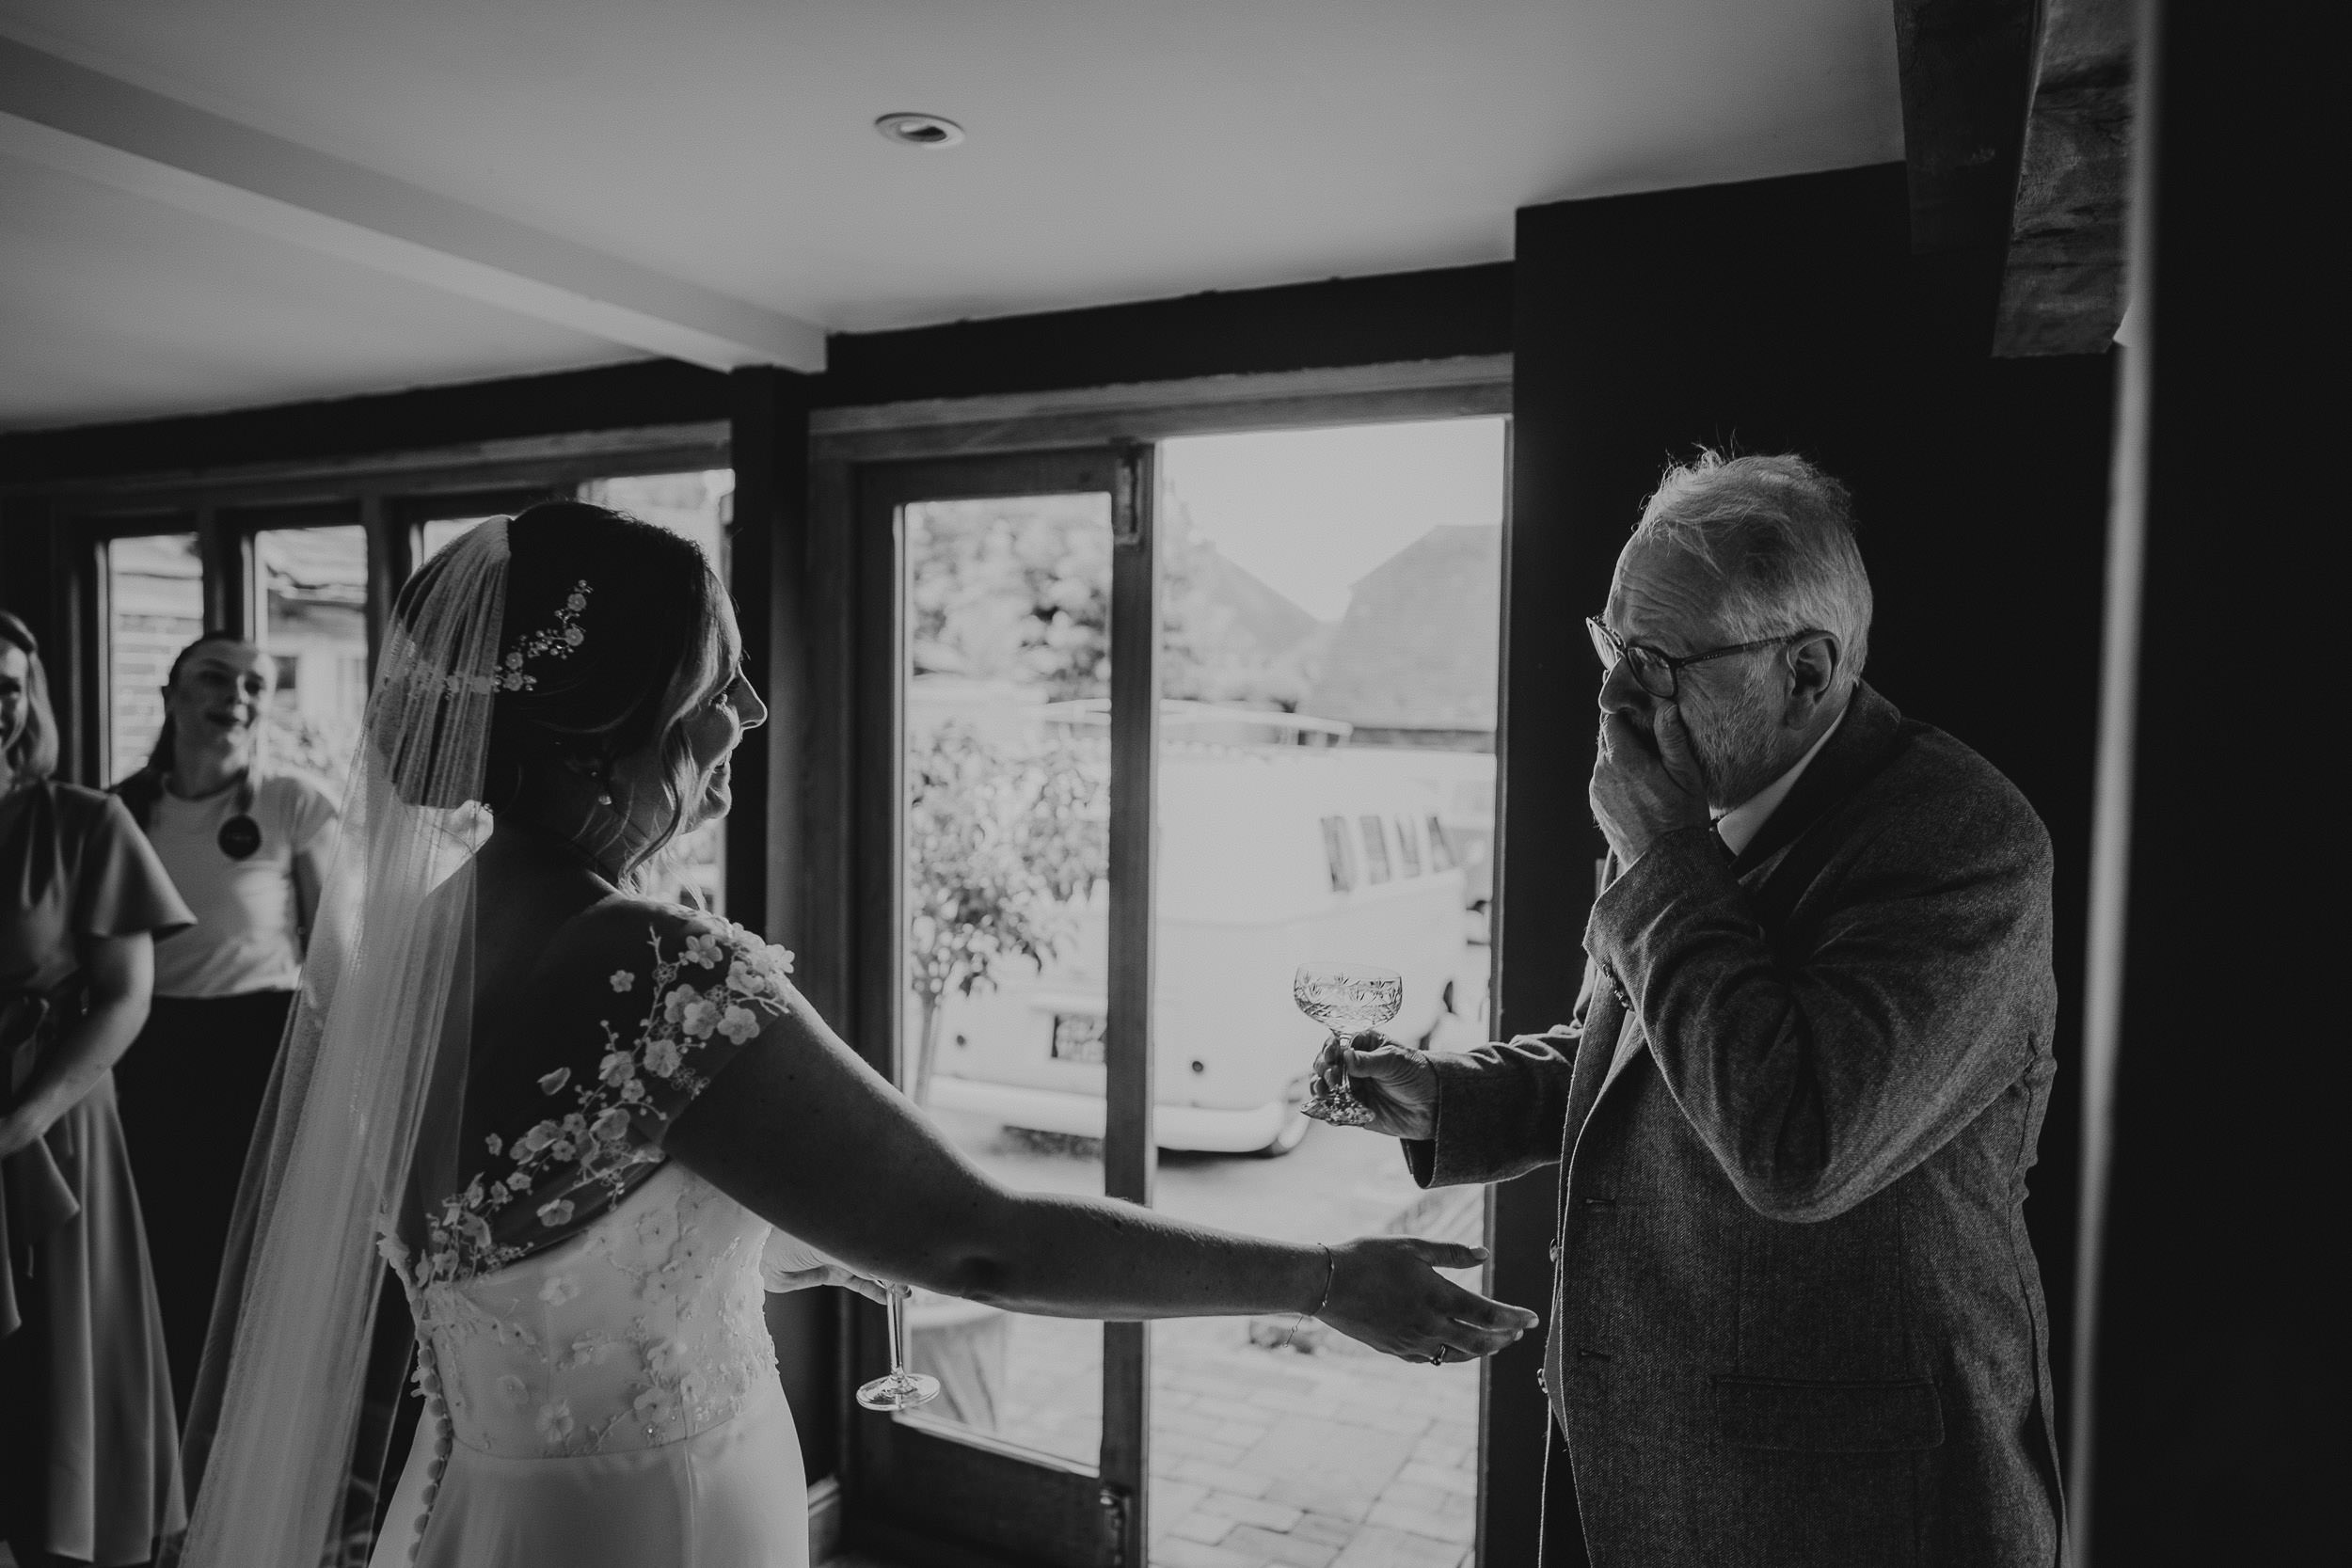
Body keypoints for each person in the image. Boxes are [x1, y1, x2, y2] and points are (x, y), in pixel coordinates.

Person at [177, 505, 1538, 1568]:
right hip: (667, 1524)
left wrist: (762, 1236)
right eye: (716, 686)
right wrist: (1320, 1275)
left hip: (481, 1510)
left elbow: (536, 1245)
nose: (748, 720)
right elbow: (981, 1235)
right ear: (602, 736)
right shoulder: (653, 968)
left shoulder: (401, 958)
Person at [1314, 452, 2065, 1566]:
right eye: (1612, 647)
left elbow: (1796, 1143)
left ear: (1805, 670)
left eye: (1658, 662)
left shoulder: (1962, 844)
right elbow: (1632, 1048)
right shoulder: (1683, 803)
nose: (1616, 698)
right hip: (1630, 1454)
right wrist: (1449, 1096)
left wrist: (1660, 853)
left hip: (1842, 1505)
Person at [0, 610, 194, 1568]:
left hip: (53, 1121)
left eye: (9, 686)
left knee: (54, 1355)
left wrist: (21, 1117)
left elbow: (123, 998)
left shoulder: (83, 821)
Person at [111, 632, 338, 1422]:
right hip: (144, 1046)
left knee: (242, 1249)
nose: (236, 698)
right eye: (216, 678)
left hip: (257, 1046)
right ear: (172, 693)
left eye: (255, 686)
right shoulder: (119, 810)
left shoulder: (293, 803)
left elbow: (333, 953)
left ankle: (243, 1425)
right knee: (155, 1242)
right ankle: (161, 1425)